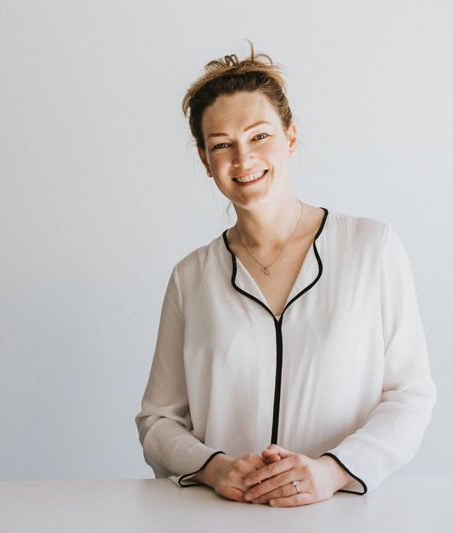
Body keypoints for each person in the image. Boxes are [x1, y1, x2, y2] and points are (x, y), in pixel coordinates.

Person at [134, 46, 436, 508]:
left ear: (290, 137)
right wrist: (217, 469)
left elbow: (409, 397)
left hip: (338, 517)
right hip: (222, 519)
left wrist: (330, 472)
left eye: (259, 136)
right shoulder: (190, 277)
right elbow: (158, 421)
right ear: (203, 158)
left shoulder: (371, 248)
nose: (242, 159)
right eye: (221, 144)